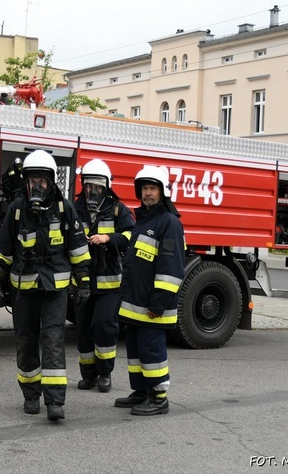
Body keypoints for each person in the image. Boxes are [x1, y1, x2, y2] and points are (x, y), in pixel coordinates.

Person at [0, 150, 91, 421]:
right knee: (26, 340)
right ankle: (31, 395)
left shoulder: (64, 208)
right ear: (27, 182)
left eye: (42, 181)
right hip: (24, 288)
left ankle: (55, 401)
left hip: (55, 289)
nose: (38, 186)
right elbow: (3, 249)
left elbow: (79, 249)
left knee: (54, 339)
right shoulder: (17, 209)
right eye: (34, 181)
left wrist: (83, 283)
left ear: (51, 181)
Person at [114, 166, 185, 416]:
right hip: (135, 304)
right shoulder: (144, 220)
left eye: (152, 188)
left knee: (152, 351)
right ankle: (142, 391)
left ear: (163, 191)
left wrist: (158, 303)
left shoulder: (169, 223)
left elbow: (171, 269)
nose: (148, 193)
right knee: (135, 352)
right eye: (144, 188)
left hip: (153, 307)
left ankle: (158, 396)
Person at [73, 159, 134, 393]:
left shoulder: (117, 208)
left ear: (106, 186)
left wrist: (109, 239)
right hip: (83, 281)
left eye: (98, 187)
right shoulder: (75, 208)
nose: (93, 191)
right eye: (89, 186)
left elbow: (131, 236)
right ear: (84, 185)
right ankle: (88, 375)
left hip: (109, 283)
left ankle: (105, 373)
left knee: (104, 325)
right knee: (84, 329)